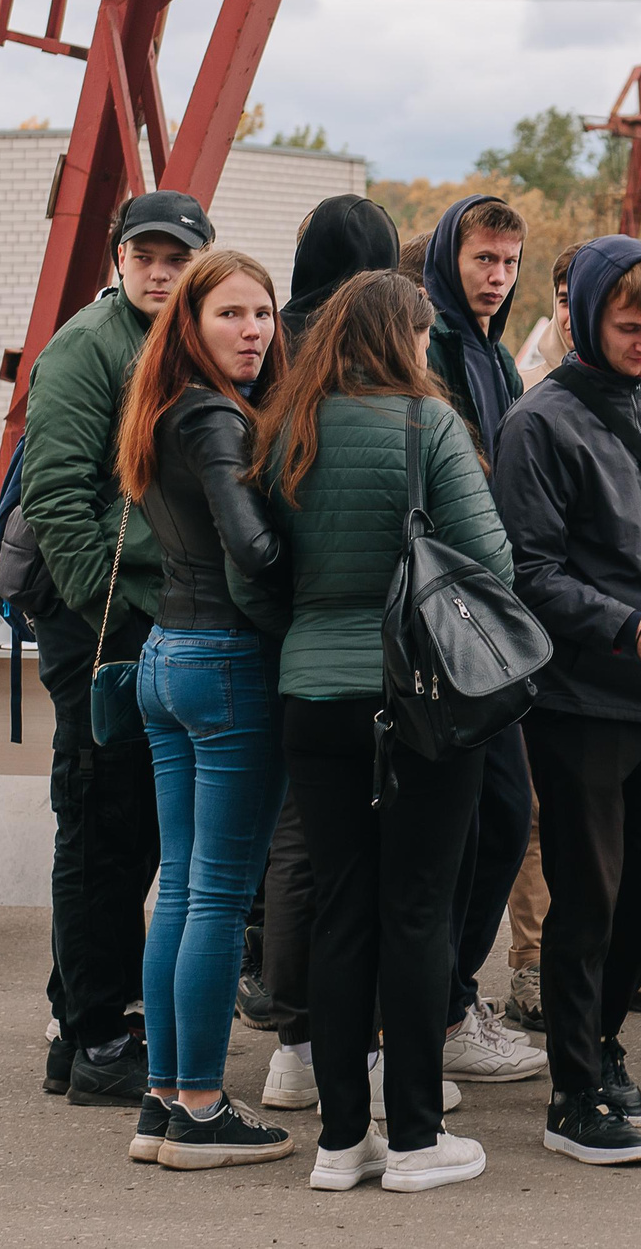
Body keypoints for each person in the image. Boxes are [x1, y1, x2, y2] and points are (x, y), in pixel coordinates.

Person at [252, 270, 500, 1192]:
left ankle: (340, 1141)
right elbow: (492, 559)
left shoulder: (286, 427)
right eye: (425, 333)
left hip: (313, 695)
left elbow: (254, 569)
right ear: (405, 338)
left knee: (342, 905)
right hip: (420, 695)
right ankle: (417, 1140)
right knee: (419, 909)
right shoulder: (428, 424)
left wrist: (309, 631)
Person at [494, 236, 641, 1166]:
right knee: (584, 896)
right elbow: (526, 571)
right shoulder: (538, 423)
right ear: (584, 316)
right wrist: (631, 628)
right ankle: (573, 1088)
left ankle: (602, 1036)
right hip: (581, 696)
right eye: (628, 324)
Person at [21, 191, 208, 1105]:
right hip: (100, 620)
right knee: (102, 823)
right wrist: (111, 607)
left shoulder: (186, 341)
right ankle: (98, 1035)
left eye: (177, 256)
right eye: (146, 254)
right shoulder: (87, 347)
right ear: (118, 257)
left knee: (126, 825)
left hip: (154, 612)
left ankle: (80, 1021)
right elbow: (55, 493)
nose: (159, 270)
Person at [118, 246, 295, 1169]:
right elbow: (255, 549)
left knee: (183, 889)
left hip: (166, 657)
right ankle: (198, 1106)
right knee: (217, 895)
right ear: (191, 321)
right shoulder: (218, 420)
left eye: (263, 314)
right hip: (225, 663)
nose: (254, 330)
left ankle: (160, 1103)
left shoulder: (162, 404)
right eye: (232, 314)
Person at [244, 196, 399, 1083]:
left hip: (281, 641)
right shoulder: (371, 351)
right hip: (375, 656)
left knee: (295, 845)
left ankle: (292, 1042)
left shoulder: (268, 345)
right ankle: (374, 1050)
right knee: (380, 856)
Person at [418, 196, 551, 1085]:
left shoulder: (494, 354)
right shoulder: (429, 350)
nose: (498, 278)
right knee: (478, 822)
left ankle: (450, 997)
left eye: (508, 263)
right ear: (448, 259)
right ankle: (443, 1006)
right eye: (483, 261)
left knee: (500, 820)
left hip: (490, 614)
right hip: (443, 622)